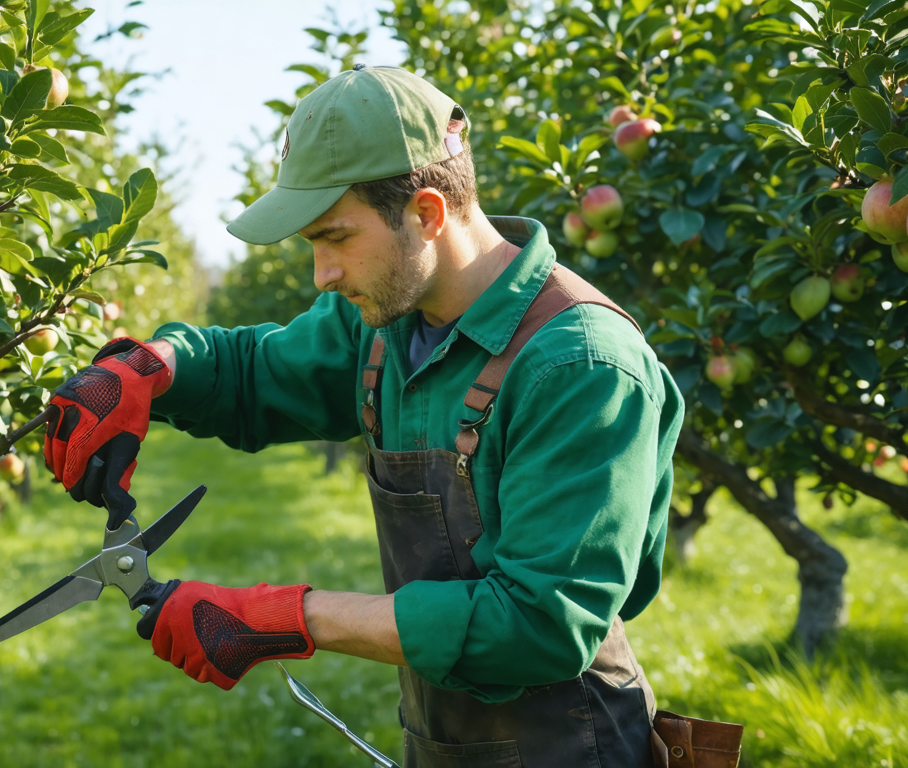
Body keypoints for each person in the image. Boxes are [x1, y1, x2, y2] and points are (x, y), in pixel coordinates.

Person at [42, 65, 684, 767]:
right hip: (444, 734)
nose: (321, 273)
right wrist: (148, 368)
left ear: (428, 214)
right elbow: (258, 371)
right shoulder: (388, 327)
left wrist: (288, 617)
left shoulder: (578, 364)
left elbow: (540, 625)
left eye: (335, 238)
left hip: (572, 741)